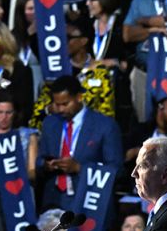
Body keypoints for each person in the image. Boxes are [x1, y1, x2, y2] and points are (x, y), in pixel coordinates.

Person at [37, 75, 124, 210]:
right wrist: (46, 165)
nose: (60, 109)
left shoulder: (104, 125)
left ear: (79, 97)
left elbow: (116, 171)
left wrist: (79, 168)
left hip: (88, 202)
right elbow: (38, 161)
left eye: (65, 104)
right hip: (53, 201)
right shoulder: (50, 123)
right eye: (56, 104)